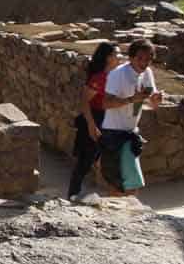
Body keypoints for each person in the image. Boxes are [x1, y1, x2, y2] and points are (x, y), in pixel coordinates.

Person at [99, 39, 163, 194]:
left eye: (148, 58)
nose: (144, 62)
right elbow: (105, 103)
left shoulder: (147, 73)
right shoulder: (117, 75)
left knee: (125, 184)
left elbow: (152, 102)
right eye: (140, 58)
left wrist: (156, 99)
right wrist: (131, 99)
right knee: (125, 184)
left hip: (131, 133)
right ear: (131, 58)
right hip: (114, 134)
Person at [67, 41, 122, 199]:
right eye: (117, 54)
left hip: (109, 121)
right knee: (85, 161)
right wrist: (91, 125)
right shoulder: (99, 78)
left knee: (105, 160)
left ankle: (111, 196)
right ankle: (72, 196)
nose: (120, 57)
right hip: (95, 119)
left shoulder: (116, 76)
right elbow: (85, 102)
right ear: (108, 58)